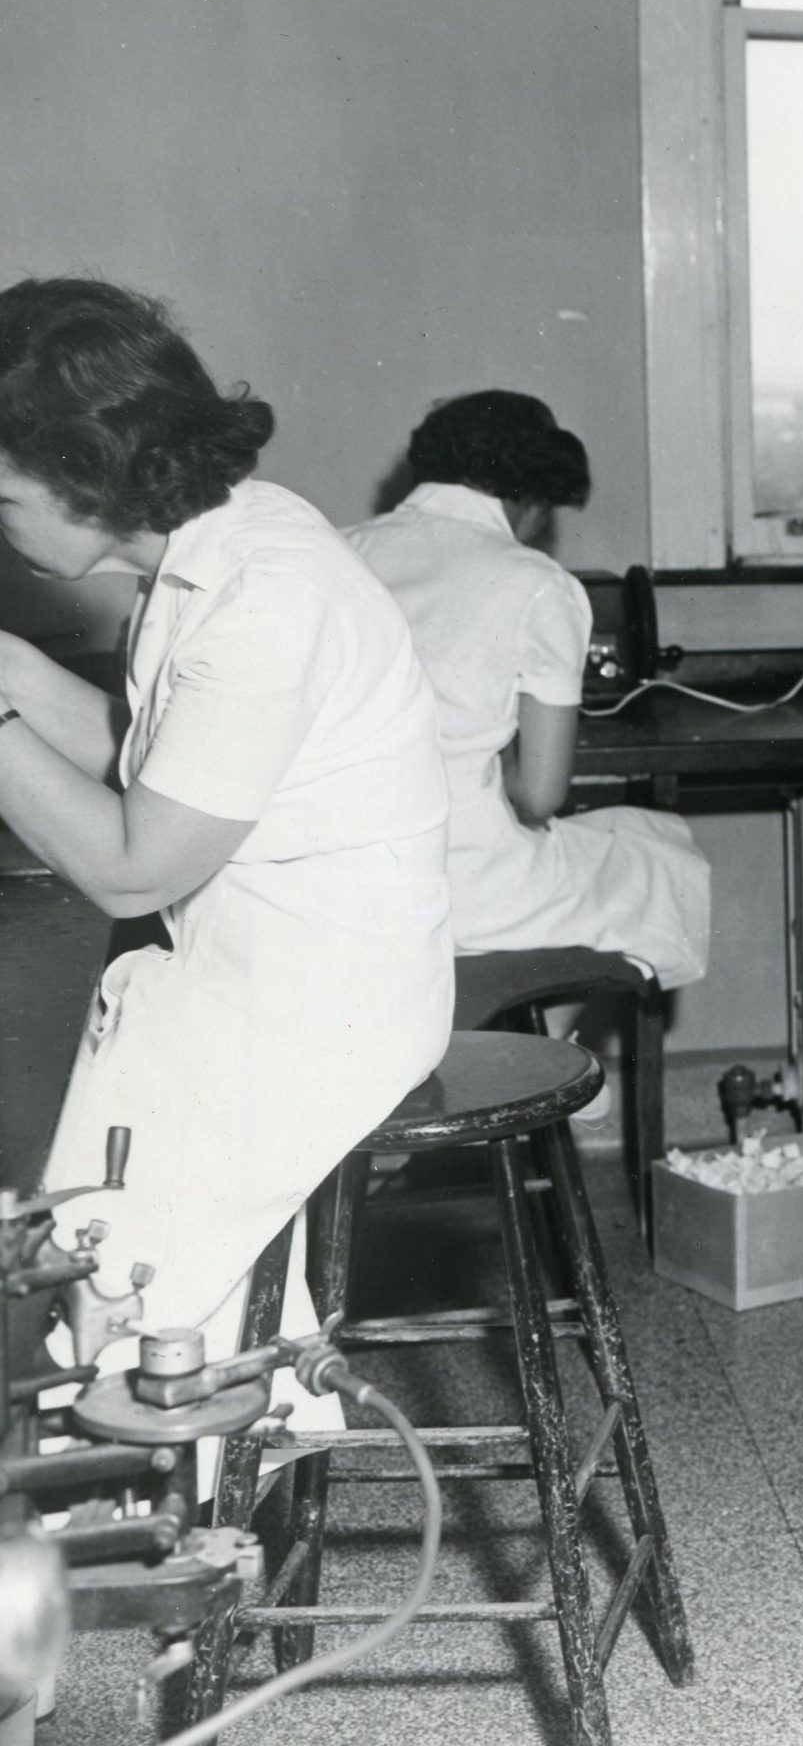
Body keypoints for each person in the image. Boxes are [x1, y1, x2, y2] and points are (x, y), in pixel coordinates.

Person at [0, 278, 452, 1365]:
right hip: (257, 971)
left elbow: (131, 869)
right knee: (73, 1223)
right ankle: (154, 1472)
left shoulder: (266, 594)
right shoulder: (221, 543)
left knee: (109, 1281)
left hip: (324, 1004)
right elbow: (160, 757)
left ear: (83, 476)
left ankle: (171, 1485)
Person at [346, 392, 709, 988]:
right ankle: (550, 1058)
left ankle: (526, 1045)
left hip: (345, 880)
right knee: (664, 860)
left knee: (634, 841)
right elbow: (538, 796)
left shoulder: (339, 548)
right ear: (532, 497)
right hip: (464, 886)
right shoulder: (538, 583)